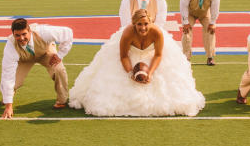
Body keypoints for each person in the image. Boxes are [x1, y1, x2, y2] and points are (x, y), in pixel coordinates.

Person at [69, 9, 205, 117]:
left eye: (146, 24)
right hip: (130, 56)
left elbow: (158, 55)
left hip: (152, 57)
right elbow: (123, 56)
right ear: (134, 24)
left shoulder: (157, 33)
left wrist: (150, 73)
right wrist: (131, 73)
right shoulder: (128, 33)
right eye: (139, 24)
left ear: (151, 23)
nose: (143, 28)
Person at [0, 18, 73, 119]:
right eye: (17, 35)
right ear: (13, 34)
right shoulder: (10, 46)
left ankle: (62, 100)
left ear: (30, 31)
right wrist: (8, 106)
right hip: (24, 59)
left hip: (45, 52)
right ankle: (9, 95)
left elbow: (68, 33)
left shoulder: (43, 32)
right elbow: (7, 75)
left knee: (59, 69)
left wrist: (59, 55)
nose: (21, 38)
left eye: (24, 34)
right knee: (9, 85)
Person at [179, 0, 221, 66]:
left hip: (205, 13)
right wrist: (185, 22)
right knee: (186, 33)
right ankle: (186, 58)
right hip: (191, 13)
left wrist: (213, 22)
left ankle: (210, 57)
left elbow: (215, 8)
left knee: (210, 31)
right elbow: (183, 6)